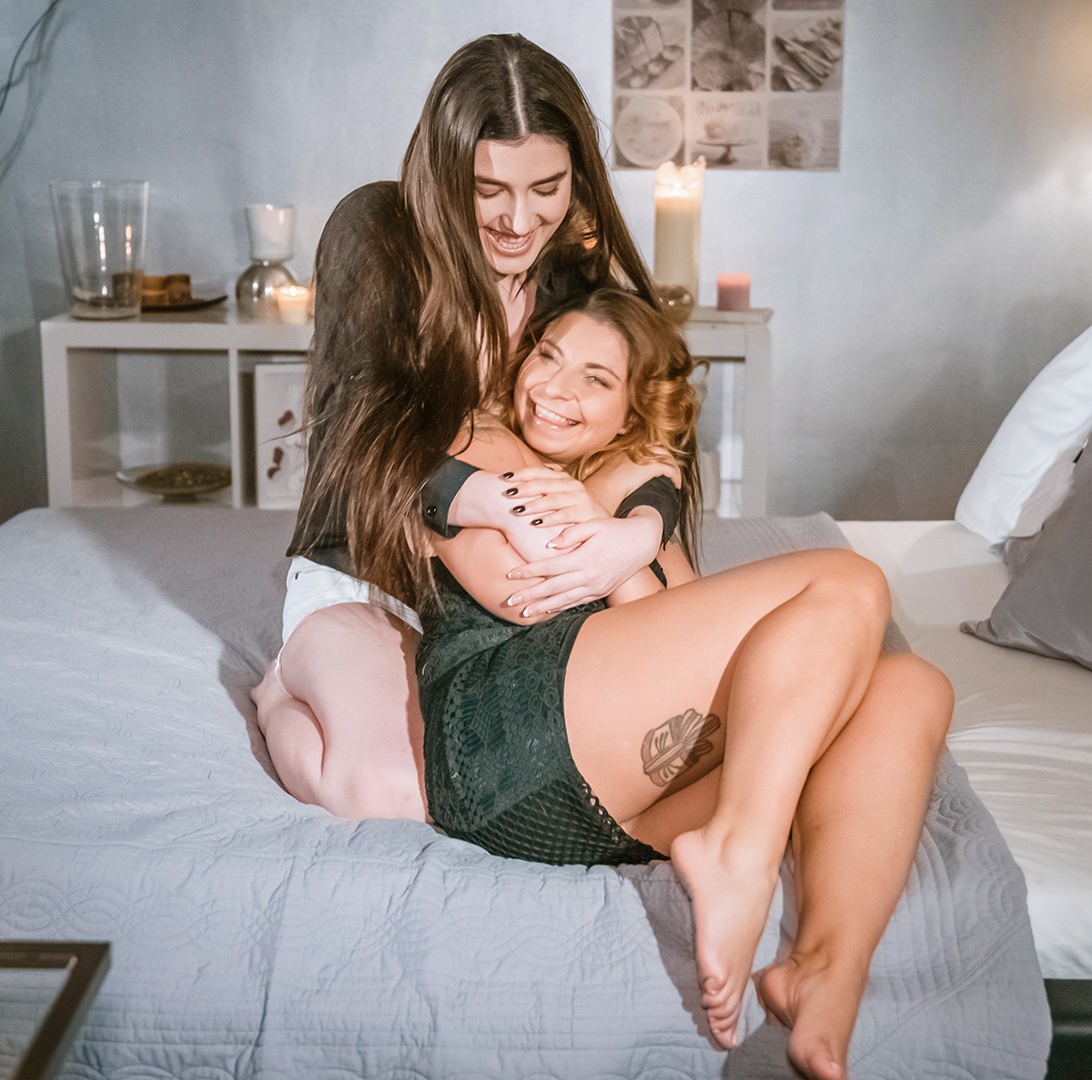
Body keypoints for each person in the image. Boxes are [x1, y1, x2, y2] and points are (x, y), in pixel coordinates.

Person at [421, 291, 954, 1080]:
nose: (554, 387)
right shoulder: (481, 435)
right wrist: (623, 528)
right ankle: (741, 849)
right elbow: (526, 590)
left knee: (911, 686)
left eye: (596, 378)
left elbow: (675, 642)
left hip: (605, 798)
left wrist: (628, 525)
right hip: (500, 739)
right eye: (547, 356)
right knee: (849, 582)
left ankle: (824, 970)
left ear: (633, 411)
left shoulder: (625, 490)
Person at [253, 34, 667, 821]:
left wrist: (637, 535)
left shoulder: (570, 275)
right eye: (488, 189)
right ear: (444, 173)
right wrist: (486, 499)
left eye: (547, 187)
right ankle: (276, 695)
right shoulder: (378, 233)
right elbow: (351, 442)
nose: (520, 219)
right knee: (394, 795)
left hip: (481, 598)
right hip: (368, 569)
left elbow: (652, 427)